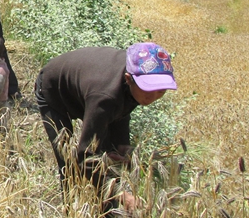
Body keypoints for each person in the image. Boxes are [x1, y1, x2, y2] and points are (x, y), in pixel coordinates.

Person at [34, 42, 178, 211]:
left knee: (113, 158)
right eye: (148, 88)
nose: (153, 97)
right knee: (68, 163)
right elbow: (86, 156)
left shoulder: (136, 83)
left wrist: (122, 145)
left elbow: (123, 107)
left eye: (161, 91)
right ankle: (72, 210)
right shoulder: (105, 97)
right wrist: (120, 194)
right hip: (54, 89)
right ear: (128, 79)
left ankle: (107, 211)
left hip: (91, 88)